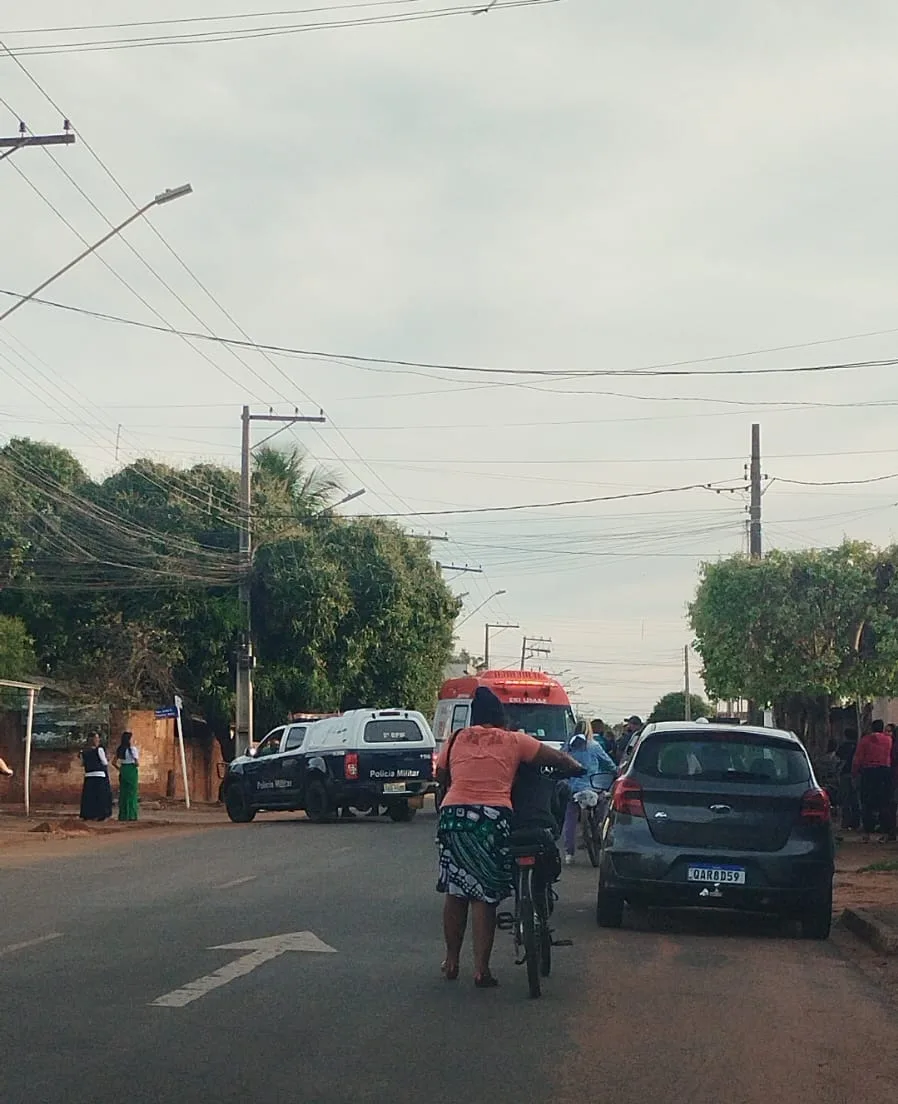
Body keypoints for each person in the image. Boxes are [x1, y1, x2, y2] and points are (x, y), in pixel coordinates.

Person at [435, 686, 583, 989]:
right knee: (483, 895)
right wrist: (575, 767)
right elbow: (557, 759)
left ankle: (451, 962)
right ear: (502, 717)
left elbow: (440, 775)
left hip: (453, 816)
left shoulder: (456, 739)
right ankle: (481, 970)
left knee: (455, 891)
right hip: (490, 818)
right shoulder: (514, 740)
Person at [561, 720, 617, 864]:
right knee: (602, 803)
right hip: (592, 787)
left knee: (570, 819)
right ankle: (598, 827)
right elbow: (609, 763)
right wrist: (616, 772)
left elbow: (559, 761)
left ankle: (568, 853)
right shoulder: (594, 746)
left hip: (572, 788)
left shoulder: (568, 747)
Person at [852, 720, 894, 842]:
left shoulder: (865, 740)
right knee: (884, 803)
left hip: (869, 773)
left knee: (866, 803)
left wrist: (854, 773)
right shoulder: (888, 740)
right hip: (885, 773)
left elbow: (858, 758)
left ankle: (867, 833)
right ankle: (886, 833)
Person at [80, 733, 113, 822]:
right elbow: (104, 762)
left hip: (89, 776)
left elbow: (82, 763)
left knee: (89, 797)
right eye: (97, 738)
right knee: (101, 796)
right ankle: (102, 815)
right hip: (100, 775)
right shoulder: (99, 750)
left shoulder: (84, 751)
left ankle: (89, 815)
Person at [835, 728, 860, 831]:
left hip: (845, 774)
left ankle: (846, 823)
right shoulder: (858, 746)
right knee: (855, 799)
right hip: (856, 774)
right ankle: (856, 822)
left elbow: (838, 757)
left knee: (845, 800)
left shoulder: (843, 747)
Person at [113, 731, 140, 821]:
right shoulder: (132, 749)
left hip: (123, 769)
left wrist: (120, 769)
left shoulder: (120, 749)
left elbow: (113, 762)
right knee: (132, 794)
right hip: (131, 770)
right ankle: (131, 815)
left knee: (123, 793)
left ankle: (123, 815)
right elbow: (137, 763)